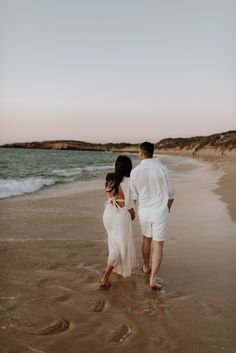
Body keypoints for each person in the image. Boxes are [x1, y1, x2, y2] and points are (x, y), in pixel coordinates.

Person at [130, 142, 175, 290]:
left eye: (138, 152)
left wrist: (131, 211)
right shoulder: (163, 169)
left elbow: (134, 196)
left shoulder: (135, 172)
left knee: (146, 239)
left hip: (144, 211)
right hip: (160, 212)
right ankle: (153, 279)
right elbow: (171, 194)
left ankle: (145, 266)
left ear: (142, 153)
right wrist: (166, 209)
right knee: (158, 244)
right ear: (152, 153)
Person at [100, 155, 136, 288]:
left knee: (113, 244)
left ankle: (116, 268)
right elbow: (129, 204)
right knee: (119, 248)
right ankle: (105, 277)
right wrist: (132, 214)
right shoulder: (128, 181)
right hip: (120, 216)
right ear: (128, 167)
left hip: (108, 214)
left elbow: (113, 197)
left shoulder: (110, 180)